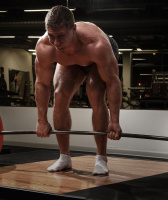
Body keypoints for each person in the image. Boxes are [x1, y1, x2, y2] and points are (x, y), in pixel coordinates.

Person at [34, 5, 122, 175]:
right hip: (72, 60)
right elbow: (42, 84)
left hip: (93, 56)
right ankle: (64, 158)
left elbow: (112, 82)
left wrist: (115, 120)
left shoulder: (97, 45)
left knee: (95, 94)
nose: (56, 42)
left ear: (73, 29)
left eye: (61, 36)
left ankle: (101, 159)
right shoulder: (45, 46)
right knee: (59, 94)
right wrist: (41, 120)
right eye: (52, 36)